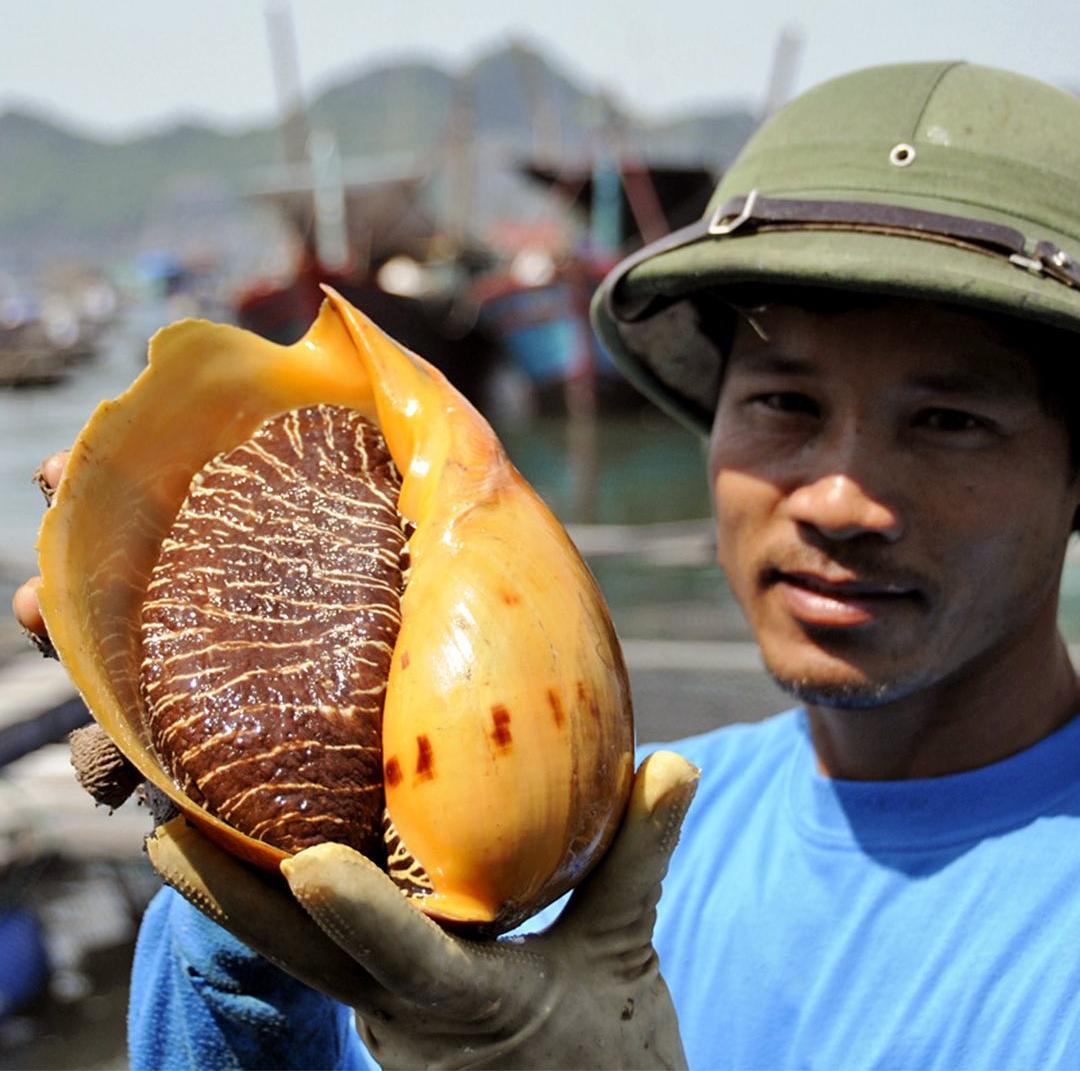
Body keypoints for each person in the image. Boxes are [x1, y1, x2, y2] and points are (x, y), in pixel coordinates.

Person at [14, 58, 1080, 1069]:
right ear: (712, 427)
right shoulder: (620, 834)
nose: (841, 499)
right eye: (784, 403)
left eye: (948, 419)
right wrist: (241, 911)